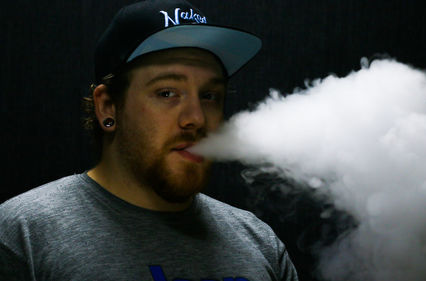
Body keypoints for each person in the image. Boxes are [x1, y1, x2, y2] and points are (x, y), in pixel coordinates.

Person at [0, 0, 299, 280]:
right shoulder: (21, 235)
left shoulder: (261, 244)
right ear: (107, 107)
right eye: (167, 92)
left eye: (209, 96)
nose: (196, 118)